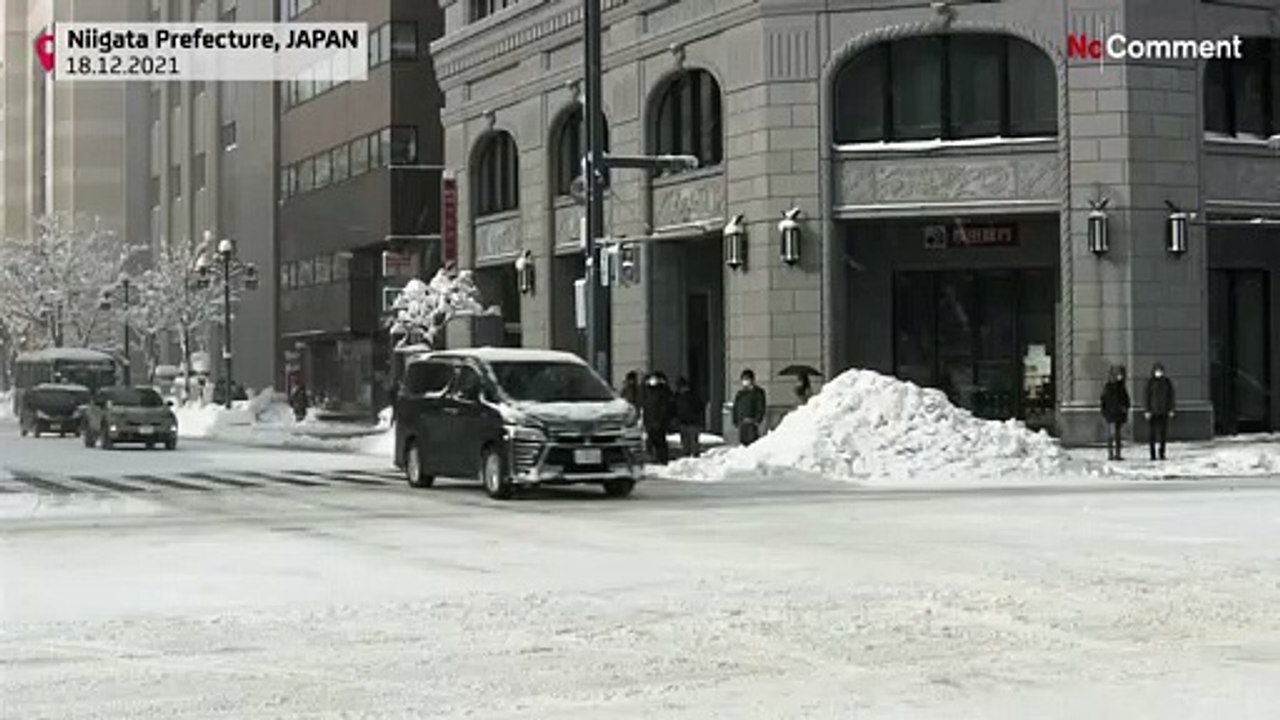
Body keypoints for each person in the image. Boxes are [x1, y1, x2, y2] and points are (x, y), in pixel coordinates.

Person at [640, 371, 674, 464]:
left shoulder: (663, 392)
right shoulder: (648, 392)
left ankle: (661, 459)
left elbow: (665, 407)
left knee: (659, 440)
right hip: (650, 420)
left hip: (659, 421)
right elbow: (646, 406)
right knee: (652, 440)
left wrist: (661, 420)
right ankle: (653, 458)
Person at [1144, 362, 1176, 461]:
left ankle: (1162, 453)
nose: (1158, 373)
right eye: (1157, 371)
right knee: (1152, 435)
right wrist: (1147, 410)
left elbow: (1171, 396)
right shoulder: (1150, 382)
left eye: (1160, 371)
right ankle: (1152, 454)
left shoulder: (1167, 382)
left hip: (1164, 411)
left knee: (1163, 434)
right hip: (1153, 412)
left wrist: (1171, 409)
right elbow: (1147, 397)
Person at [1100, 365, 1131, 461]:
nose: (1120, 376)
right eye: (1119, 375)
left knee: (1117, 435)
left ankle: (1116, 453)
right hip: (1111, 414)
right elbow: (1104, 400)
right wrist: (1105, 412)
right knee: (1112, 434)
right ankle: (1111, 453)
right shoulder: (1109, 387)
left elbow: (1126, 400)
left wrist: (1125, 408)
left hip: (1118, 414)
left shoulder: (1121, 387)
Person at [732, 368, 767, 446]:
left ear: (752, 380)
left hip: (752, 422)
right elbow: (736, 407)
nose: (745, 381)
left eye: (747, 379)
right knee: (743, 443)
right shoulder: (740, 393)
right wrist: (735, 420)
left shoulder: (758, 392)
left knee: (752, 443)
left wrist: (757, 420)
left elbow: (760, 407)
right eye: (743, 379)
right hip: (742, 422)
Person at [674, 377, 705, 458]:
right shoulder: (677, 397)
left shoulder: (692, 396)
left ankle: (694, 457)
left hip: (693, 422)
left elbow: (700, 407)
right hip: (683, 422)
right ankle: (686, 457)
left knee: (693, 442)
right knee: (685, 442)